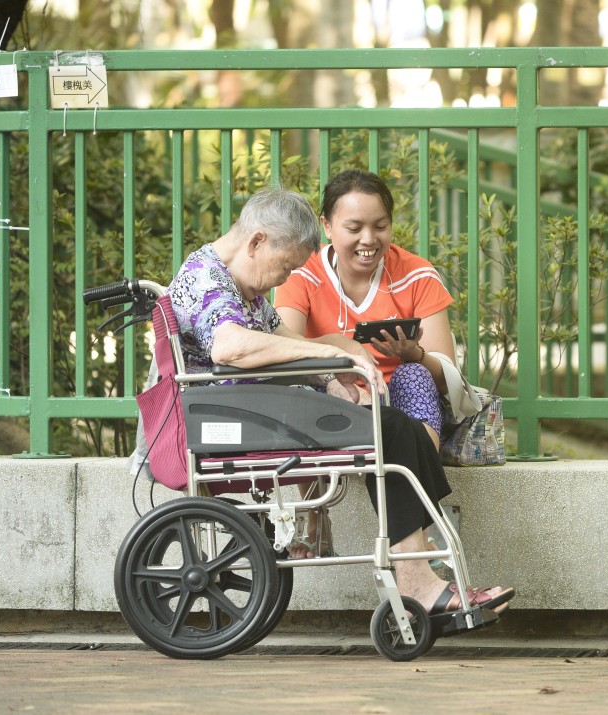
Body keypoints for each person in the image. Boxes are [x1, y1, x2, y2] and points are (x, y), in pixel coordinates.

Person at [166, 186, 514, 615]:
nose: (287, 277)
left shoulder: (240, 284)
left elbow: (283, 340)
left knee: (391, 426)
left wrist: (339, 361)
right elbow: (229, 348)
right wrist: (330, 356)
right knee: (388, 428)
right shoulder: (207, 278)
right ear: (257, 241)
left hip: (254, 407)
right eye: (286, 264)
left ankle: (419, 573)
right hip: (235, 415)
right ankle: (418, 581)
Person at [275, 169, 466, 453]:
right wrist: (332, 376)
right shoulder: (302, 272)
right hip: (333, 393)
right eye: (354, 229)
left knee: (415, 375)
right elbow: (286, 349)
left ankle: (422, 481)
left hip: (398, 403)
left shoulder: (417, 273)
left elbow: (448, 381)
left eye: (380, 226)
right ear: (326, 226)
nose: (369, 240)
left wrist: (412, 353)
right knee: (298, 392)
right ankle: (319, 497)